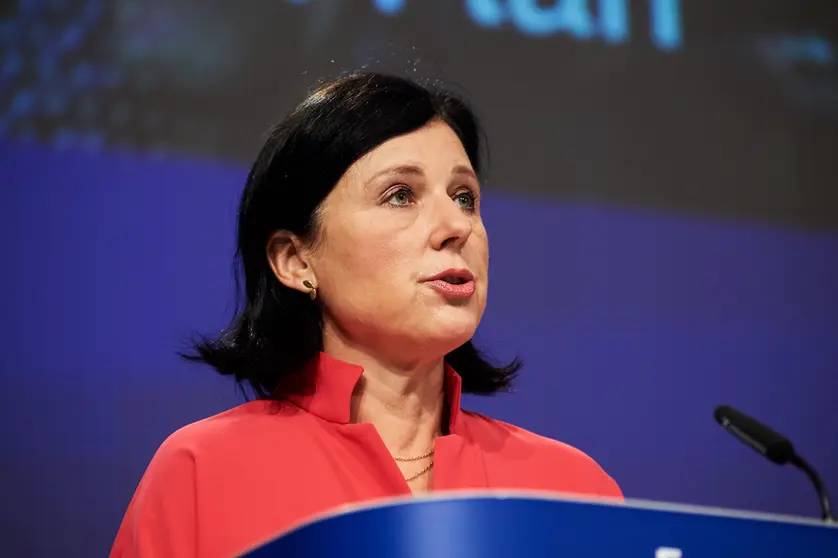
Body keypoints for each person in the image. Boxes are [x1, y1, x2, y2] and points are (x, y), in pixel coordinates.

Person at [110, 71, 621, 558]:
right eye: (400, 195)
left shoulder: (573, 491)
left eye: (465, 198)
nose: (455, 225)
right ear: (295, 260)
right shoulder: (203, 474)